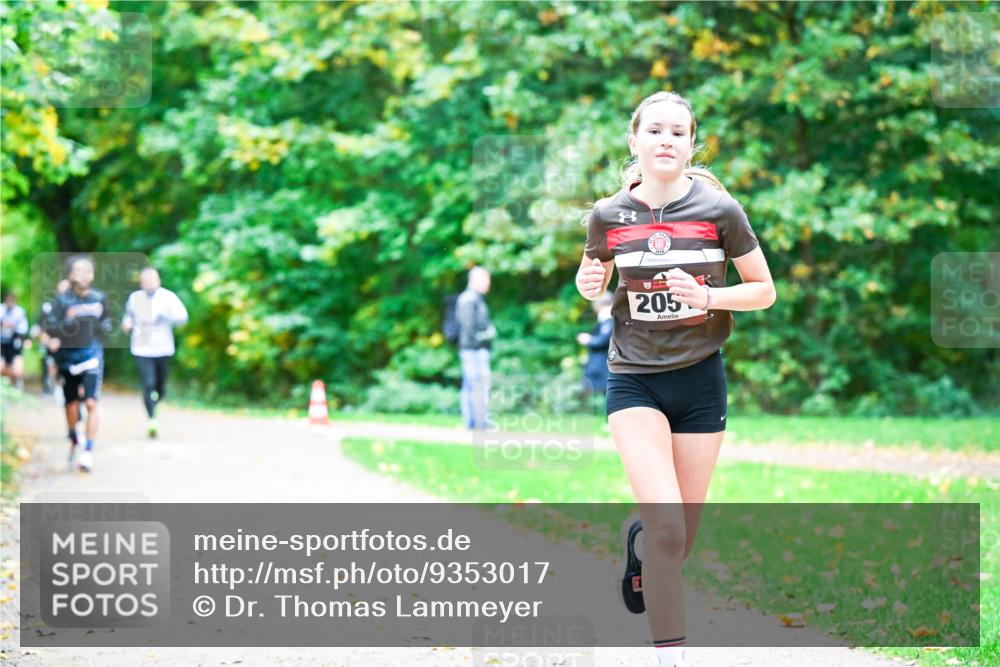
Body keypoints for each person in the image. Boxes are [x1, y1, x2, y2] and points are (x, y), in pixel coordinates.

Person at [575, 91, 776, 667]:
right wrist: (587, 284)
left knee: (678, 539)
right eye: (655, 130)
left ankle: (640, 546)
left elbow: (764, 291)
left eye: (678, 132)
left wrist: (709, 296)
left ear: (691, 146)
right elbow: (593, 277)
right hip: (633, 379)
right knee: (668, 529)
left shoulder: (720, 211)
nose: (666, 140)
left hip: (700, 380)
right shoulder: (608, 214)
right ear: (634, 141)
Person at [40, 256, 112, 472]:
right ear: (71, 275)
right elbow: (50, 327)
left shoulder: (99, 298)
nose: (82, 274)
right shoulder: (62, 300)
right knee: (71, 406)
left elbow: (107, 323)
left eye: (87, 270)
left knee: (91, 403)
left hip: (92, 357)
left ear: (92, 275)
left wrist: (106, 328)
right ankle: (73, 437)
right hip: (68, 359)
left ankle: (88, 451)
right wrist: (64, 327)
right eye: (78, 270)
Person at [122, 267, 188, 438]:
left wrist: (166, 316)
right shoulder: (135, 298)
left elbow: (183, 317)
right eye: (146, 281)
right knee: (148, 383)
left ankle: (154, 405)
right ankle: (151, 419)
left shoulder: (168, 297)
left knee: (160, 388)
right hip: (142, 349)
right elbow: (128, 317)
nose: (150, 284)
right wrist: (127, 324)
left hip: (163, 348)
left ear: (158, 281)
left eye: (153, 280)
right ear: (141, 283)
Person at [456, 266, 496, 430]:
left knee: (472, 385)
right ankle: (478, 422)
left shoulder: (475, 299)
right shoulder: (469, 299)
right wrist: (484, 336)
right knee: (478, 385)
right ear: (475, 280)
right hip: (473, 351)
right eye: (486, 279)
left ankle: (474, 422)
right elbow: (468, 327)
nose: (488, 283)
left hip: (475, 350)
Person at [577, 291, 614, 409]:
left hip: (606, 362)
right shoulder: (607, 319)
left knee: (608, 392)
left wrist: (588, 340)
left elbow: (603, 340)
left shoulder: (609, 319)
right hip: (605, 362)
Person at [0, 290, 30, 390]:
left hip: (14, 344)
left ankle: (15, 385)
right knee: (1, 368)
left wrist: (13, 326)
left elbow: (24, 329)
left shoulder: (19, 312)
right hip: (2, 344)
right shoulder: (1, 309)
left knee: (17, 371)